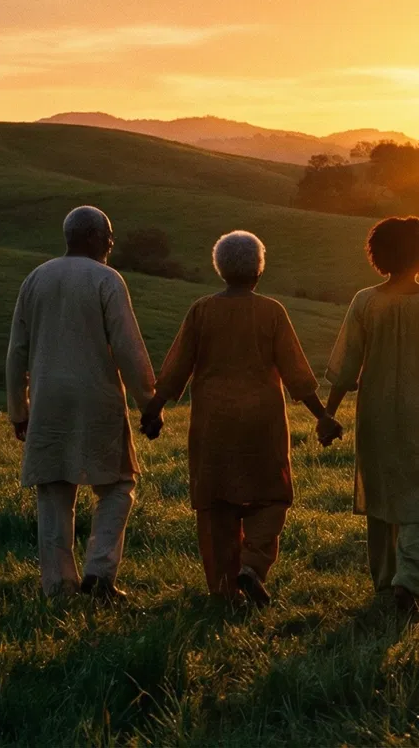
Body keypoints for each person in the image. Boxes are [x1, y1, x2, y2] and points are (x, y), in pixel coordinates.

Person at [138, 231, 344, 605]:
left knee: (217, 504)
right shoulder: (271, 312)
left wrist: (154, 411)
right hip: (262, 425)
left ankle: (223, 588)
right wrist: (323, 416)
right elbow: (297, 374)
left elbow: (175, 370)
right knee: (271, 496)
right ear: (258, 271)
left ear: (220, 269)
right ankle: (251, 566)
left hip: (213, 424)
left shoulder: (201, 310)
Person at [325, 217, 419, 614]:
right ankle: (409, 586)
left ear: (378, 255)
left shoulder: (365, 301)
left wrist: (329, 413)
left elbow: (346, 367)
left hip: (375, 415)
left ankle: (384, 582)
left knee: (381, 497)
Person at [4, 205, 156, 601]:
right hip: (97, 397)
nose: (111, 242)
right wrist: (148, 403)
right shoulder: (106, 279)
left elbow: (17, 350)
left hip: (47, 400)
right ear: (91, 238)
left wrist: (19, 409)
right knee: (118, 484)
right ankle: (100, 574)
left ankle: (59, 587)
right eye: (108, 235)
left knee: (54, 490)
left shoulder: (35, 278)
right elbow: (127, 347)